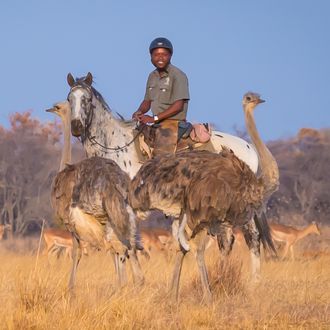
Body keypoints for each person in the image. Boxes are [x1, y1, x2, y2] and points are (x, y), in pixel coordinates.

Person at [132, 37, 190, 156]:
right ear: (151, 57)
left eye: (164, 54)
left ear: (170, 56)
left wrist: (154, 118)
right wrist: (139, 112)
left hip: (172, 123)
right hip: (156, 123)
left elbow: (178, 106)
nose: (160, 58)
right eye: (156, 55)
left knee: (160, 158)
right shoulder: (152, 76)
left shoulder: (178, 75)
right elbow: (147, 101)